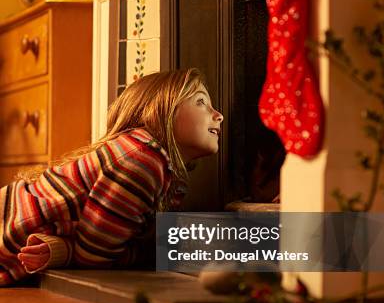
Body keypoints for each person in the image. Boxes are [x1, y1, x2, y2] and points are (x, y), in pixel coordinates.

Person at [0, 68, 223, 286]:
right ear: (158, 111)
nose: (219, 115)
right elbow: (94, 259)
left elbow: (99, 245)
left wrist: (64, 249)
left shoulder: (157, 168)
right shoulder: (142, 160)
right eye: (201, 102)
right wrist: (152, 253)